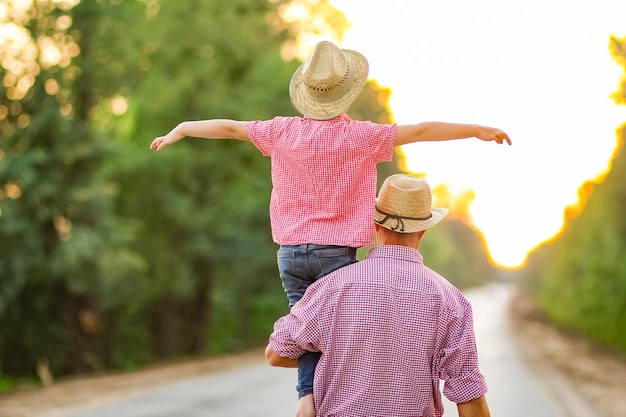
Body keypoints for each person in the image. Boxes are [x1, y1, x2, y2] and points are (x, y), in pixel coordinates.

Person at [151, 41, 508, 417]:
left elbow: (229, 128)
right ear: (346, 93)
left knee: (308, 325)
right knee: (342, 327)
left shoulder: (281, 132)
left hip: (289, 253)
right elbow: (419, 132)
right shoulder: (362, 137)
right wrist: (474, 130)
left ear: (306, 92)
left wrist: (182, 129)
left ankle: (307, 398)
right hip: (334, 252)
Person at [266, 173, 491, 417]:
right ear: (423, 231)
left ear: (375, 224)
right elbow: (470, 398)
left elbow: (276, 354)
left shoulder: (331, 288)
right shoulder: (450, 300)